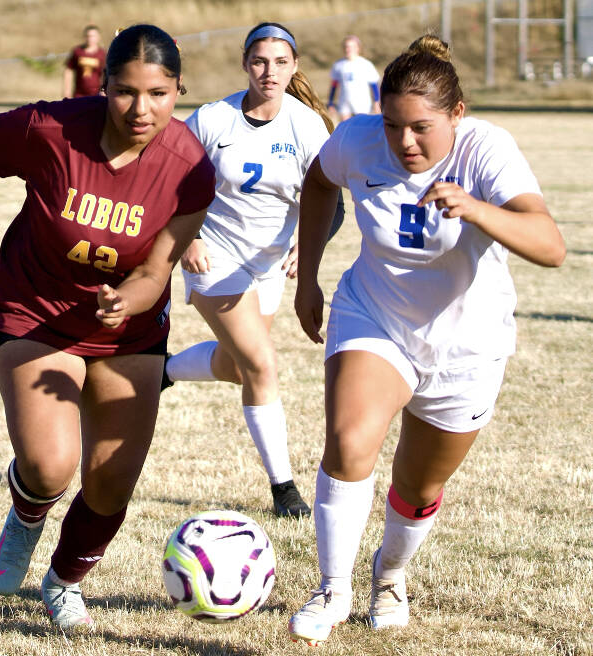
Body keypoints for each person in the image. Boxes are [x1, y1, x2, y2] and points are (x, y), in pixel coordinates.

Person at [0, 24, 215, 630]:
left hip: (127, 330)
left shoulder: (190, 168)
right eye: (125, 92)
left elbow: (159, 267)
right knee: (49, 466)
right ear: (102, 85)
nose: (141, 109)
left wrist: (129, 300)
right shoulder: (53, 129)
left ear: (179, 90)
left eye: (159, 94)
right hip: (35, 309)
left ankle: (64, 583)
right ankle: (28, 508)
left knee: (111, 483)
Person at [286, 35, 563, 645]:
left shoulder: (486, 149)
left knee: (418, 488)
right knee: (350, 439)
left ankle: (391, 576)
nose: (404, 142)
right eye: (392, 126)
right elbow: (319, 183)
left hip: (467, 343)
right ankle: (332, 590)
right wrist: (308, 276)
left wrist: (478, 209)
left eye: (421, 128)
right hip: (376, 315)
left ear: (456, 115)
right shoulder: (358, 139)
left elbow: (551, 245)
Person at [166, 22, 335, 518]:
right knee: (262, 365)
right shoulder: (212, 119)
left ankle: (164, 370)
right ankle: (285, 488)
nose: (270, 71)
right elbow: (168, 184)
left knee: (238, 366)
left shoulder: (307, 126)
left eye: (281, 62)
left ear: (295, 67)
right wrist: (189, 239)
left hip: (267, 266)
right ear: (245, 63)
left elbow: (330, 201)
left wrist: (310, 247)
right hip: (215, 257)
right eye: (260, 61)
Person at [328, 35, 381, 123]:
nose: (348, 49)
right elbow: (334, 85)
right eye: (346, 46)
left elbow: (374, 84)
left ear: (358, 48)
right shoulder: (338, 65)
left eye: (351, 46)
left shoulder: (366, 64)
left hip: (362, 104)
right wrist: (330, 102)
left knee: (362, 129)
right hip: (344, 103)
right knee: (346, 129)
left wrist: (376, 101)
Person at [63, 25, 106, 98]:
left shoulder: (102, 54)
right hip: (79, 94)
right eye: (88, 36)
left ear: (98, 37)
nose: (90, 39)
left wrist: (104, 91)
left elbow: (105, 74)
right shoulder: (77, 51)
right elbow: (68, 70)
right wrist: (67, 90)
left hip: (96, 94)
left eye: (93, 36)